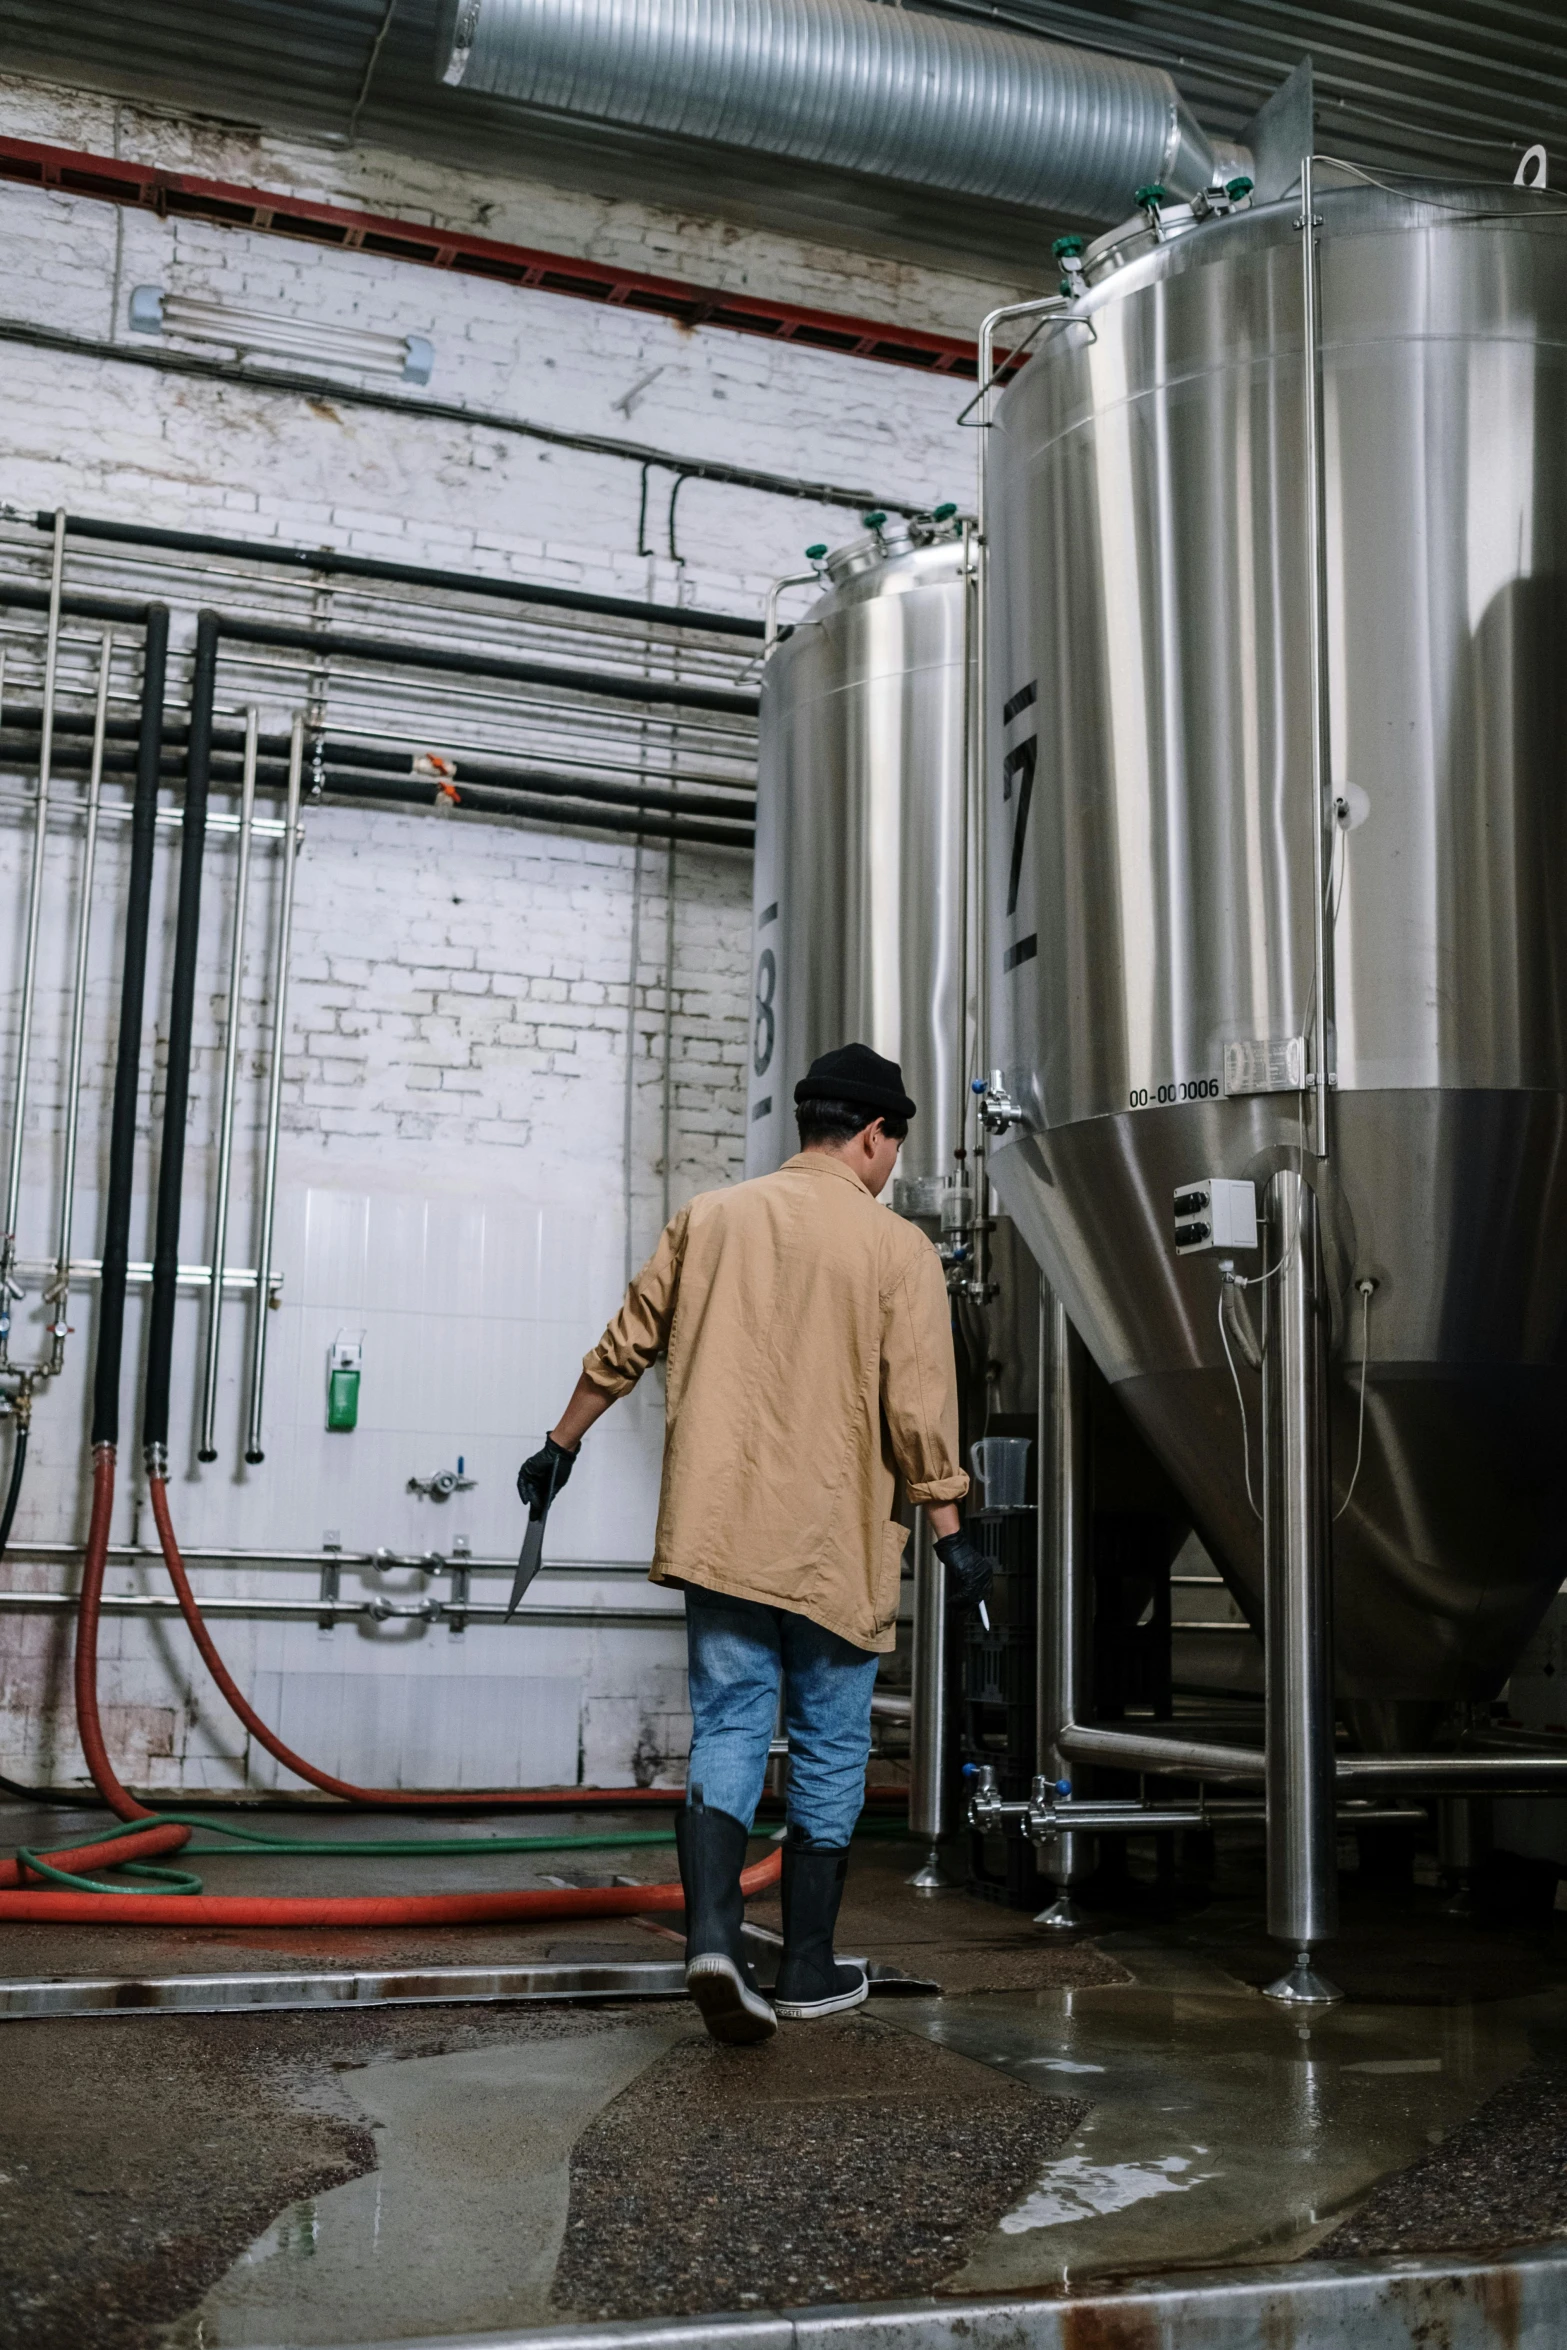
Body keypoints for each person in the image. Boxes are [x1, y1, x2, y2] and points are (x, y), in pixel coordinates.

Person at [519, 1042, 994, 2044]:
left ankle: (710, 1937)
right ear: (873, 1136)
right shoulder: (895, 1250)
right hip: (833, 1545)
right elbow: (917, 1408)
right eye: (890, 1146)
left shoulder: (711, 1218)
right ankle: (810, 1967)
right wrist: (954, 1531)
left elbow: (626, 1341)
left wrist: (558, 1446)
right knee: (828, 1744)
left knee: (731, 1722)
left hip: (723, 1532)